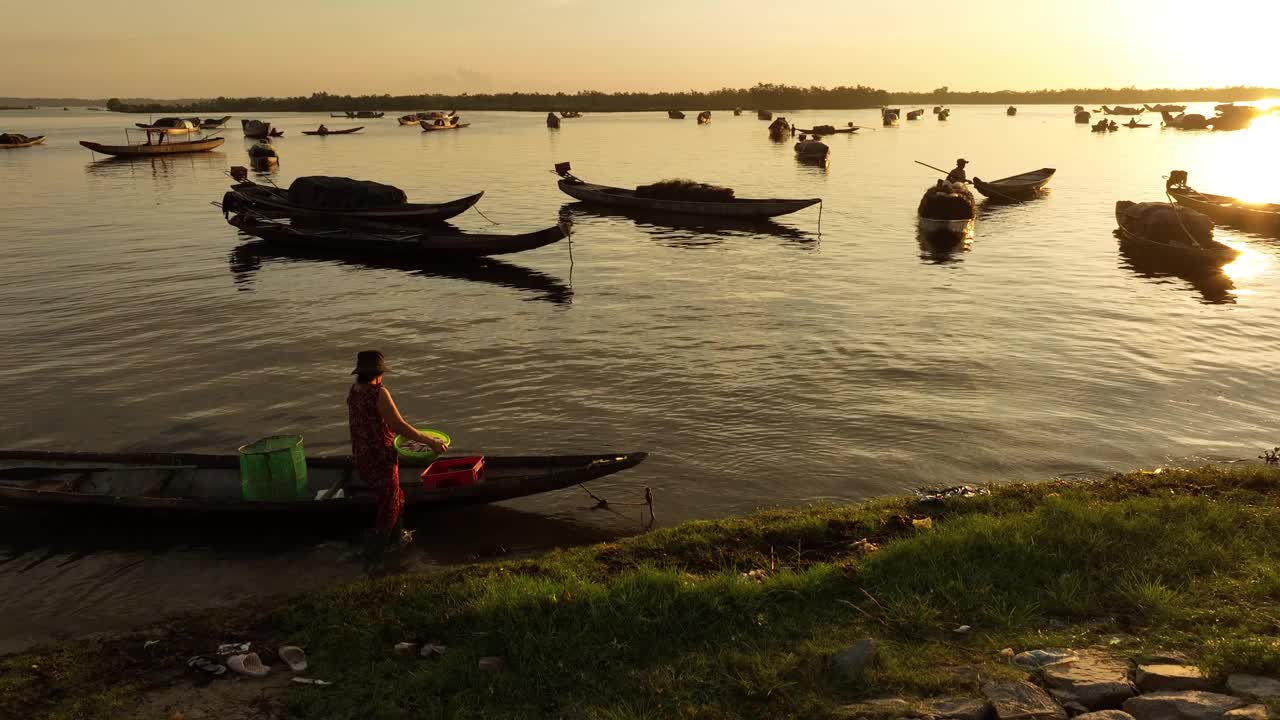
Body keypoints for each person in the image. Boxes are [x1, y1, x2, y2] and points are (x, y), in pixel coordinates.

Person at [347, 350, 447, 536]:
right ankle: (383, 544)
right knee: (390, 505)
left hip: (362, 458)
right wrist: (431, 441)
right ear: (379, 373)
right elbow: (398, 425)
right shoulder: (379, 393)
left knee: (393, 498)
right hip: (380, 460)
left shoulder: (355, 391)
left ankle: (394, 536)